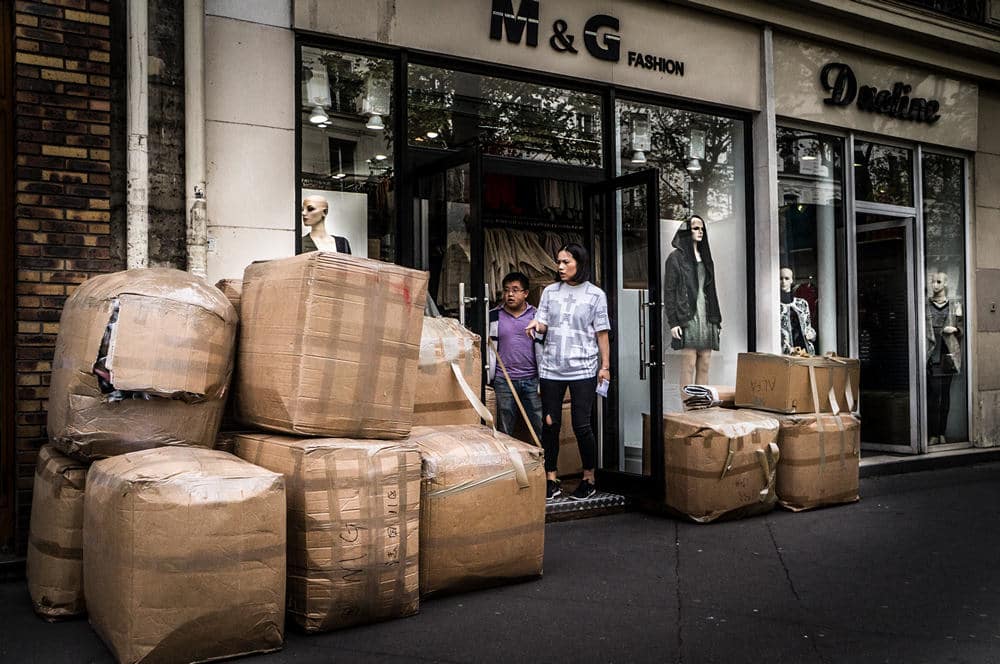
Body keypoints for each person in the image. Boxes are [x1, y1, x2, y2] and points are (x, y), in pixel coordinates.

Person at [526, 243, 611, 502]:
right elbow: (543, 323)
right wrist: (536, 325)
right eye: (559, 262)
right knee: (550, 424)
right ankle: (551, 479)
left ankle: (588, 478)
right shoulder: (550, 292)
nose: (560, 267)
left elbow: (602, 333)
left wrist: (604, 367)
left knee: (581, 425)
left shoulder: (595, 295)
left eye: (566, 262)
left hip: (583, 369)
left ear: (580, 264)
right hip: (552, 368)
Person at [664, 214, 721, 389]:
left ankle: (701, 407)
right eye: (696, 228)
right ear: (687, 232)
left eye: (702, 228)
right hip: (688, 315)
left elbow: (711, 289)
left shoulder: (706, 256)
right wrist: (673, 322)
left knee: (704, 364)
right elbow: (669, 291)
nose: (700, 231)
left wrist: (717, 319)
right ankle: (687, 408)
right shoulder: (675, 258)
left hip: (707, 316)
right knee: (687, 365)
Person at [488, 272, 543, 441]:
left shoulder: (537, 316)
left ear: (525, 293)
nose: (510, 294)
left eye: (515, 290)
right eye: (506, 290)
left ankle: (546, 463)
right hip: (503, 380)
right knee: (504, 428)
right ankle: (510, 462)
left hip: (532, 379)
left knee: (539, 424)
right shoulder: (493, 316)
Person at [926, 271, 962, 445]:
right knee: (934, 395)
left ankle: (941, 432)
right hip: (932, 353)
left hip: (947, 354)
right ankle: (933, 433)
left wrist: (954, 329)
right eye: (933, 282)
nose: (935, 285)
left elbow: (961, 328)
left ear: (946, 283)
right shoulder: (926, 304)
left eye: (939, 282)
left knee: (945, 395)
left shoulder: (954, 304)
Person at [779, 267, 817, 355]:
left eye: (786, 278)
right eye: (781, 278)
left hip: (805, 352)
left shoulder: (802, 304)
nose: (783, 282)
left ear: (791, 280)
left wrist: (812, 334)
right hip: (786, 354)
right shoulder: (775, 306)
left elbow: (808, 327)